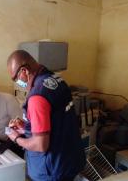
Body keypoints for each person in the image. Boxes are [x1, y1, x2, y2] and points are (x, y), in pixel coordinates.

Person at [6, 50, 86, 181]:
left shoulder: (37, 97)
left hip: (53, 170)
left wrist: (16, 138)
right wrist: (26, 127)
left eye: (15, 78)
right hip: (70, 159)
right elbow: (56, 121)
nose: (17, 83)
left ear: (24, 71)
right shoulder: (56, 80)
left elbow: (40, 145)